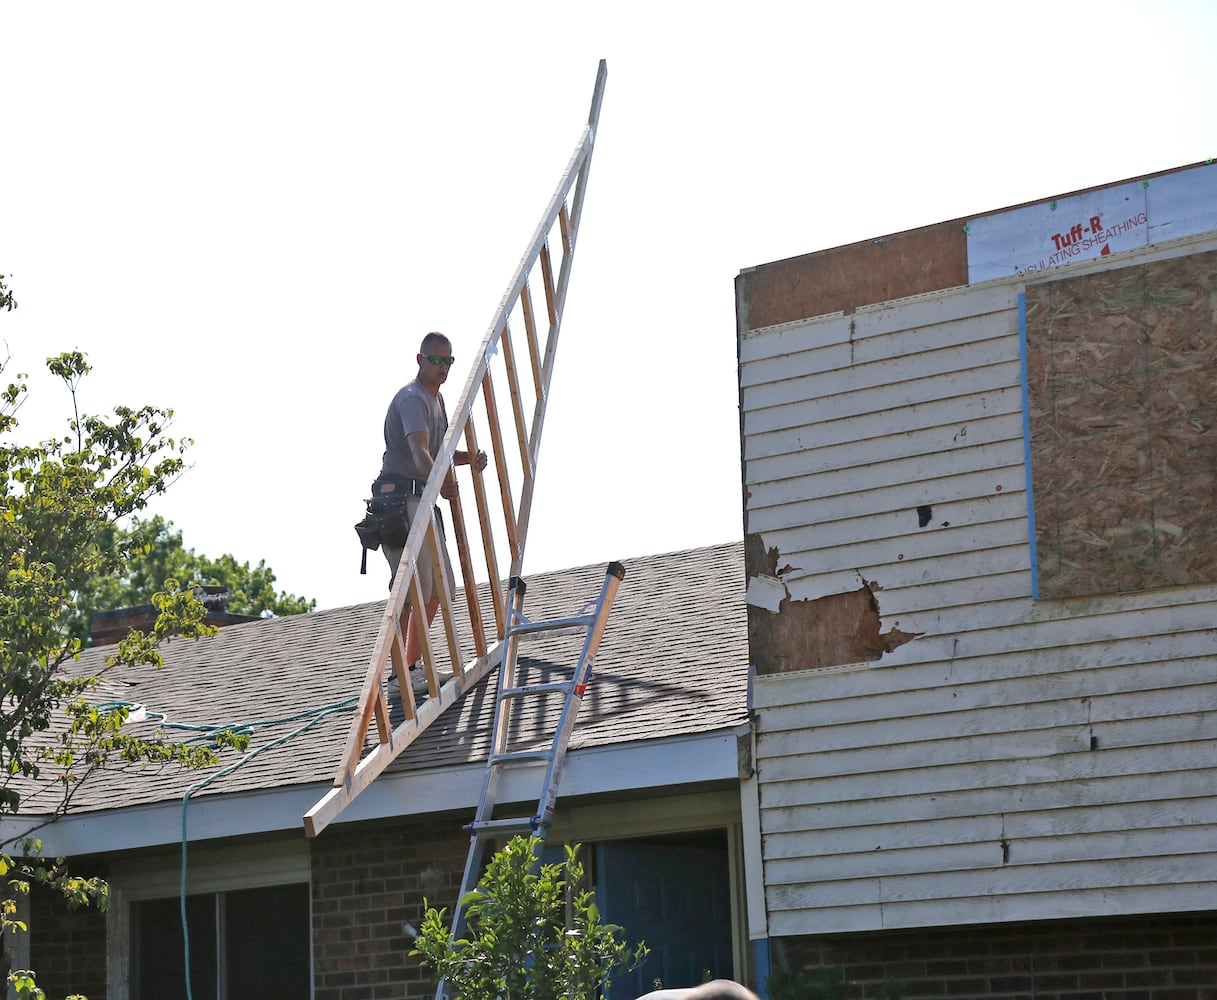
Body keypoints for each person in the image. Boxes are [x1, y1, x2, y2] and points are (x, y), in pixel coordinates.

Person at [376, 331, 487, 695]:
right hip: (402, 500)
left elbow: (437, 452)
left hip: (421, 498)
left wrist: (467, 460)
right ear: (420, 360)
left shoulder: (436, 402)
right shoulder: (413, 399)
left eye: (448, 361)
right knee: (413, 589)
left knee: (439, 588)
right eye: (436, 360)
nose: (442, 367)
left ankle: (411, 666)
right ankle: (398, 676)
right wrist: (441, 483)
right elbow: (420, 452)